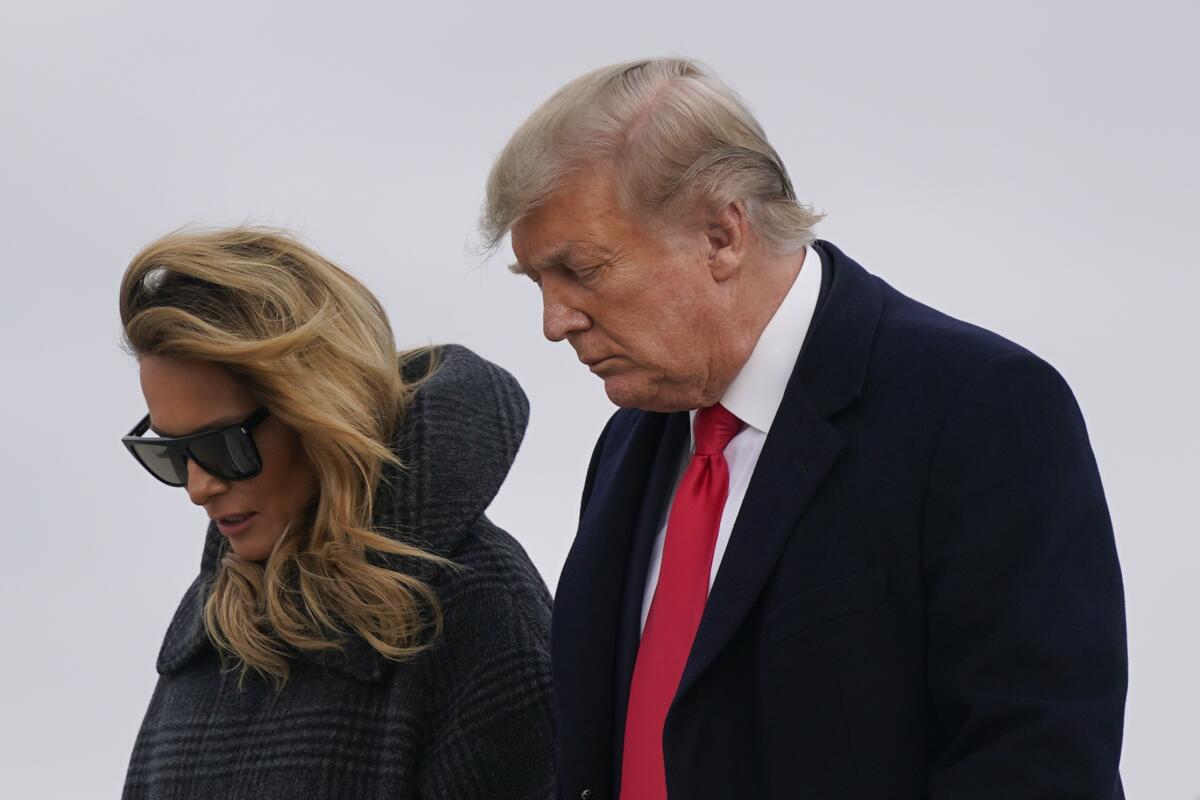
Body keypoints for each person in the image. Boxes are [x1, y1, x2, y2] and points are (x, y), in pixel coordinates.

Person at [482, 58, 1127, 799]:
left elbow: (1038, 760)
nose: (554, 322)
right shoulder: (633, 437)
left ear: (723, 233)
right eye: (538, 283)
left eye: (583, 271)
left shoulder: (982, 408)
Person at [118, 227, 555, 799]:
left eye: (222, 445)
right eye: (170, 453)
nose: (198, 488)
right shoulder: (214, 627)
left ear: (320, 412)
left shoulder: (481, 605)